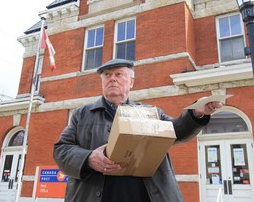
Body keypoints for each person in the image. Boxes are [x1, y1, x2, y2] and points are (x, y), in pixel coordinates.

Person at [53, 59, 222, 202]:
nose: (112, 79)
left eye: (118, 74)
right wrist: (88, 159)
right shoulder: (81, 114)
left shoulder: (150, 113)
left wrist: (196, 113)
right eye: (107, 75)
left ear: (131, 82)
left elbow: (175, 131)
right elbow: (61, 149)